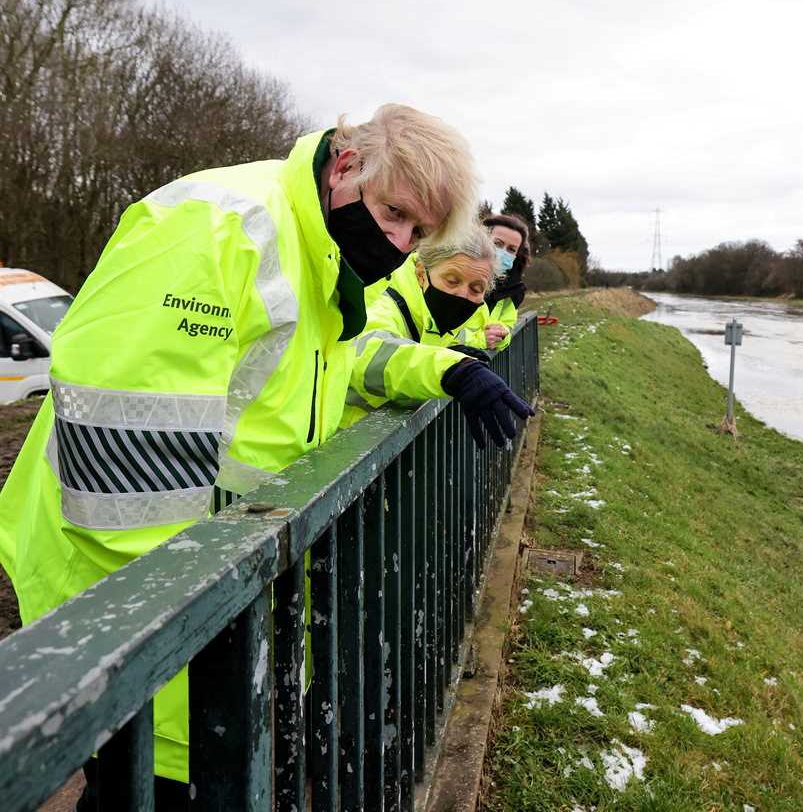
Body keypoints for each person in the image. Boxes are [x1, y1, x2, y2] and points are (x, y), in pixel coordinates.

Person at [0, 104, 526, 807]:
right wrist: (200, 643)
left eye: (418, 233)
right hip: (137, 606)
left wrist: (446, 372)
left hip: (218, 604)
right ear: (346, 166)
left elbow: (340, 365)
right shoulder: (223, 228)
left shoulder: (328, 258)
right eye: (396, 213)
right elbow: (120, 475)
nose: (400, 243)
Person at [344, 219, 534, 444]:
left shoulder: (452, 317)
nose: (462, 295)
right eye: (452, 280)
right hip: (343, 449)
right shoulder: (386, 300)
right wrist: (455, 370)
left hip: (385, 452)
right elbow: (367, 351)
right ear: (422, 273)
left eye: (476, 288)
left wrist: (457, 351)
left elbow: (457, 338)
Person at [476, 213, 530, 352]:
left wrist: (500, 335)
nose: (503, 252)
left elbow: (507, 328)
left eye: (511, 249)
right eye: (497, 244)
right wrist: (481, 340)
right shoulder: (456, 277)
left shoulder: (513, 291)